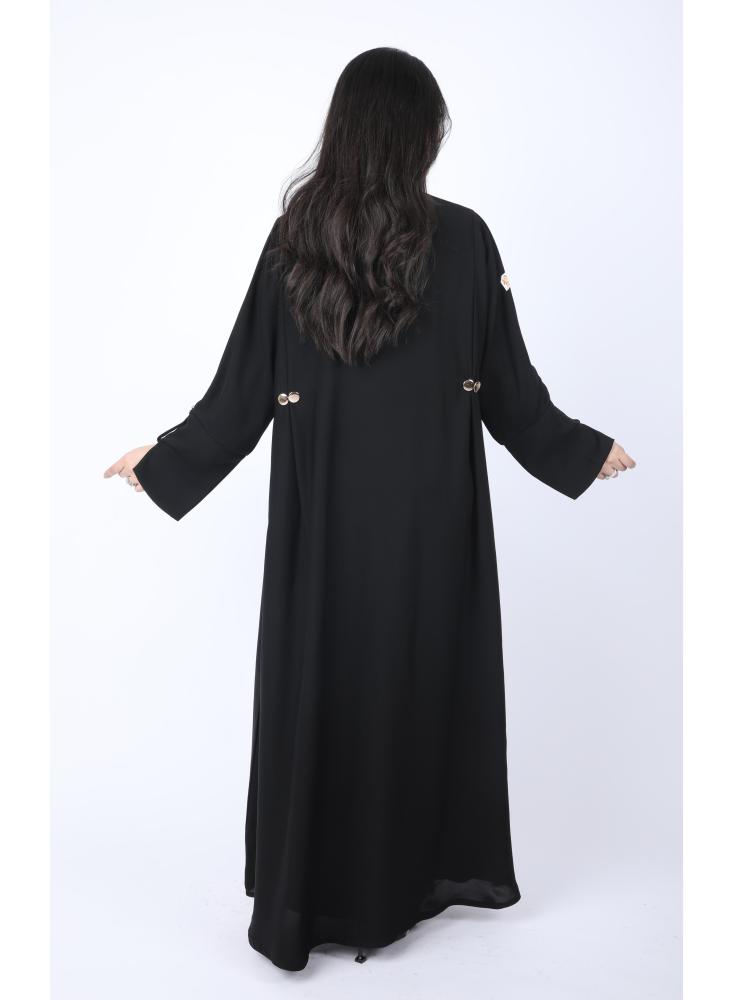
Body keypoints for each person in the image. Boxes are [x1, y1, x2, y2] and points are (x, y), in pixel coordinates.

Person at [103, 46, 635, 973]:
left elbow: (241, 386)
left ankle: (332, 893)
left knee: (330, 682)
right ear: (417, 134)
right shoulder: (446, 238)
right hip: (429, 518)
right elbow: (508, 387)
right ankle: (395, 888)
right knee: (413, 681)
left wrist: (174, 457)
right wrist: (577, 447)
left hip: (326, 518)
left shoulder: (309, 238)